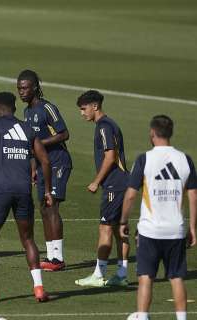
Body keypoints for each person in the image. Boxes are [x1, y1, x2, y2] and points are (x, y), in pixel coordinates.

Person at [0, 92, 52, 303]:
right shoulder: (28, 128)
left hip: (0, 190)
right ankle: (39, 288)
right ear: (14, 107)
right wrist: (47, 191)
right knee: (28, 239)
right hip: (23, 191)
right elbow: (45, 160)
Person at [121, 115, 196, 320]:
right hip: (176, 229)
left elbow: (130, 195)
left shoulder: (145, 159)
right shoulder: (185, 159)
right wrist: (193, 228)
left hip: (150, 230)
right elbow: (193, 195)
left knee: (146, 277)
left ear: (152, 133)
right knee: (177, 278)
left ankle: (143, 316)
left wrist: (123, 221)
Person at [17, 69, 72, 271]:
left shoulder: (47, 108)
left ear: (35, 88)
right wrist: (33, 166)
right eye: (19, 89)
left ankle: (58, 258)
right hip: (41, 166)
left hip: (58, 162)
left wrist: (40, 144)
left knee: (52, 206)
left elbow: (64, 134)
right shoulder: (27, 112)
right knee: (43, 207)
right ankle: (50, 257)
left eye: (24, 88)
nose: (21, 92)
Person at [74, 90, 130, 287]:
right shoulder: (110, 124)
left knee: (105, 228)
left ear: (95, 106)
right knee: (118, 229)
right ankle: (122, 275)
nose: (82, 113)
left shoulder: (104, 126)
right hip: (123, 183)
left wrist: (96, 181)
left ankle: (99, 274)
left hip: (114, 184)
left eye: (83, 109)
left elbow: (110, 156)